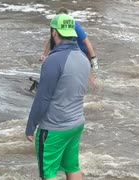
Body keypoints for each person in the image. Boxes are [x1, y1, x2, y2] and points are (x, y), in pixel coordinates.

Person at [26, 14, 90, 180]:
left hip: (54, 128)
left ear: (54, 32)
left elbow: (42, 98)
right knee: (73, 167)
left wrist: (31, 125)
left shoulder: (53, 60)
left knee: (49, 173)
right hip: (76, 124)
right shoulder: (83, 58)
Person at [40, 8, 98, 85]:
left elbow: (87, 43)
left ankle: (94, 87)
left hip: (83, 51)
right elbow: (51, 40)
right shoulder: (58, 27)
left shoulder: (74, 25)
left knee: (88, 73)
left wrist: (93, 59)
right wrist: (44, 54)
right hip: (71, 50)